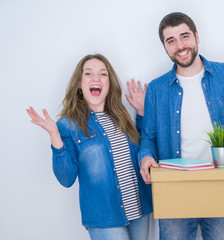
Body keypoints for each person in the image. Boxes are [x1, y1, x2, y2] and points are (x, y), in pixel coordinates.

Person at [138, 12, 224, 240]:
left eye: (184, 36)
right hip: (174, 189)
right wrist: (145, 157)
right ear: (165, 47)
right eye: (171, 40)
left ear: (197, 36)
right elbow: (148, 137)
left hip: (223, 187)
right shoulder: (156, 89)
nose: (180, 45)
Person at [26, 54, 152, 240]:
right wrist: (55, 136)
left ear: (109, 84)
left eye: (103, 74)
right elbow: (66, 179)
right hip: (104, 217)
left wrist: (141, 113)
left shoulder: (121, 115)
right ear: (79, 84)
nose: (96, 78)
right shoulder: (67, 125)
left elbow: (140, 152)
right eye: (88, 73)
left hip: (140, 208)